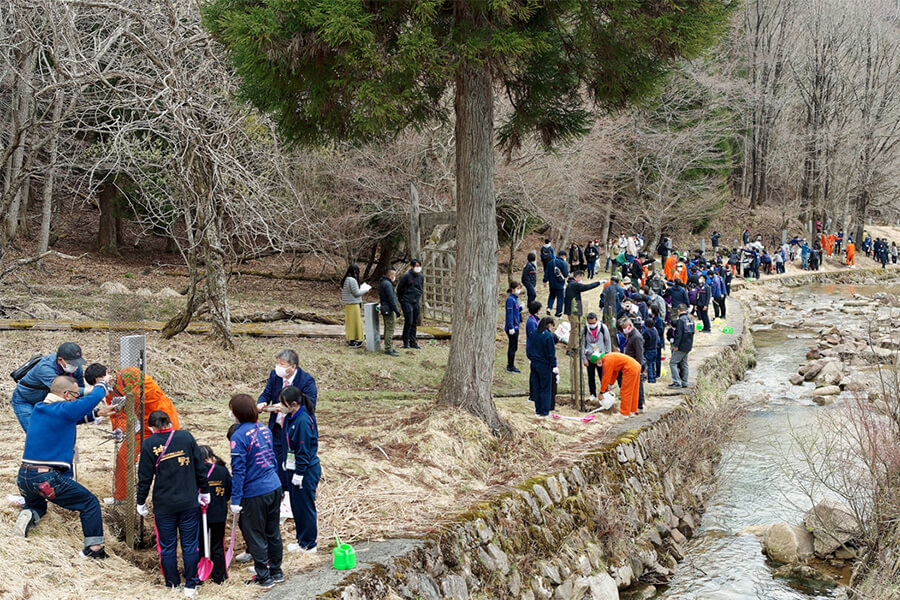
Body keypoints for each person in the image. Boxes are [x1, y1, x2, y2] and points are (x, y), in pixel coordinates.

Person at [14, 375, 114, 558]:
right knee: (89, 503)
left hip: (24, 477)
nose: (77, 399)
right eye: (76, 395)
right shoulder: (64, 409)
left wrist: (97, 414)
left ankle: (29, 512)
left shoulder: (40, 408)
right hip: (46, 478)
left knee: (37, 505)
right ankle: (94, 549)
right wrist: (103, 383)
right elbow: (90, 401)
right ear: (67, 395)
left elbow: (69, 417)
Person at [136, 411, 209, 597]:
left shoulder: (149, 444)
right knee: (190, 545)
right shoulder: (185, 437)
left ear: (151, 428)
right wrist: (205, 491)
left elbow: (144, 478)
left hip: (164, 505)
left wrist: (140, 502)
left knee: (167, 547)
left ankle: (172, 584)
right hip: (188, 502)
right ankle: (191, 585)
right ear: (170, 422)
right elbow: (200, 466)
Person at [95, 364, 181, 503]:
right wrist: (118, 429)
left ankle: (178, 493)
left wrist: (127, 399)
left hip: (164, 420)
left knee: (170, 457)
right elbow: (117, 414)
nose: (104, 384)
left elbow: (145, 392)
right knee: (124, 455)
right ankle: (121, 497)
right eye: (99, 384)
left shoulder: (131, 373)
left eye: (102, 380)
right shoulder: (110, 391)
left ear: (108, 372)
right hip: (144, 426)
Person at [229, 393, 284, 588]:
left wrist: (235, 500)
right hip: (274, 485)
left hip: (255, 492)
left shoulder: (238, 436)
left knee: (256, 534)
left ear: (237, 413)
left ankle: (264, 576)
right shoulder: (264, 429)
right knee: (273, 531)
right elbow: (272, 457)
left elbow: (239, 470)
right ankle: (276, 571)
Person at [257, 349, 317, 504]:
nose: (278, 367)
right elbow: (267, 393)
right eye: (277, 363)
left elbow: (310, 405)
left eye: (282, 364)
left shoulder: (306, 380)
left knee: (292, 457)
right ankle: (281, 490)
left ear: (293, 367)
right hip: (277, 427)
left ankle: (292, 491)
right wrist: (262, 402)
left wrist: (286, 407)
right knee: (277, 459)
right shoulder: (274, 376)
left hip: (294, 427)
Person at [11, 341, 87, 432]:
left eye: (77, 362)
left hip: (47, 403)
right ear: (60, 360)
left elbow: (78, 392)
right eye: (72, 362)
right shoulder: (45, 367)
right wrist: (92, 390)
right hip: (26, 400)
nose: (75, 366)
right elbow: (62, 389)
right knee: (36, 433)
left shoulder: (76, 368)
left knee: (57, 432)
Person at [280, 386, 321, 554]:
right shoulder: (292, 417)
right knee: (297, 507)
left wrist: (300, 473)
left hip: (305, 471)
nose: (280, 406)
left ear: (293, 404)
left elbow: (303, 450)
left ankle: (309, 543)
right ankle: (301, 540)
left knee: (305, 507)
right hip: (293, 467)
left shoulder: (302, 421)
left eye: (283, 403)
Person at [199, 445, 231, 584]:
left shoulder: (195, 471)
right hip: (219, 513)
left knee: (199, 544)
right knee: (218, 544)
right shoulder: (223, 470)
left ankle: (199, 574)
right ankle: (219, 576)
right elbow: (229, 490)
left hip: (200, 514)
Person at [564, 270, 602, 353]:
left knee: (575, 329)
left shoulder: (571, 284)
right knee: (575, 330)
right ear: (578, 276)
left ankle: (574, 346)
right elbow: (586, 287)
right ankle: (571, 348)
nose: (581, 280)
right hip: (573, 311)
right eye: (581, 278)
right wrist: (598, 282)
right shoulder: (574, 284)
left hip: (572, 310)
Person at [526, 317, 557, 417]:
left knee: (536, 387)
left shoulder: (534, 333)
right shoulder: (548, 336)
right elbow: (551, 352)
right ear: (549, 325)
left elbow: (530, 346)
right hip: (544, 364)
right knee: (545, 388)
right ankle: (544, 411)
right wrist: (554, 365)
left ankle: (538, 410)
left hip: (534, 362)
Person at [598, 352, 641, 417]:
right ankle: (632, 411)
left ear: (598, 360)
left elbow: (606, 377)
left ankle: (624, 413)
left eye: (596, 363)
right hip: (636, 366)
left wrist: (602, 392)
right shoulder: (609, 357)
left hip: (630, 368)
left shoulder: (607, 361)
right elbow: (615, 371)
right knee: (634, 390)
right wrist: (610, 384)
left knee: (625, 391)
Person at [581, 312, 611, 404]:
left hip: (601, 357)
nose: (592, 325)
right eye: (590, 323)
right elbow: (582, 344)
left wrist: (607, 355)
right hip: (590, 357)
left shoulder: (603, 328)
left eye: (593, 323)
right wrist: (584, 359)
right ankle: (592, 394)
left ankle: (605, 393)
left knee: (602, 376)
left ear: (596, 320)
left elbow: (607, 342)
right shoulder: (585, 329)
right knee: (591, 377)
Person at [397, 259, 424, 349]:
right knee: (409, 321)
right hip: (407, 300)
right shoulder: (406, 276)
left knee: (414, 322)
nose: (418, 268)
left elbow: (421, 288)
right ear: (412, 267)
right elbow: (399, 289)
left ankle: (413, 341)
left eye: (419, 266)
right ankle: (405, 341)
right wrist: (402, 300)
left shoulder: (421, 276)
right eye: (416, 266)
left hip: (415, 301)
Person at [620, 318, 646, 413]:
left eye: (625, 328)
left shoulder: (636, 337)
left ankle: (639, 405)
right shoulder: (630, 335)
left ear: (630, 326)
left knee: (638, 387)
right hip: (630, 364)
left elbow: (639, 354)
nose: (624, 330)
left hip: (635, 365)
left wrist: (639, 367)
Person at [340, 263, 369, 348]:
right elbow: (356, 293)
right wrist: (365, 290)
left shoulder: (345, 279)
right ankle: (357, 339)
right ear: (355, 271)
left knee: (350, 323)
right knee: (356, 323)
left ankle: (351, 339)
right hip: (353, 304)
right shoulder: (352, 280)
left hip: (348, 304)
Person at [378, 267, 402, 356]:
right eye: (394, 275)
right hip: (388, 308)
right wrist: (397, 310)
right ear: (389, 275)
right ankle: (388, 349)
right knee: (390, 329)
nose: (394, 277)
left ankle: (388, 347)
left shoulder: (382, 282)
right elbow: (391, 298)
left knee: (387, 328)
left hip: (385, 307)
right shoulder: (387, 284)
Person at [669, 305, 695, 389]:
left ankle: (676, 382)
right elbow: (693, 332)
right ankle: (685, 382)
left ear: (679, 310)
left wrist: (676, 345)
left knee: (673, 363)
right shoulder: (691, 319)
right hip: (688, 344)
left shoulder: (680, 320)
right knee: (684, 363)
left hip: (681, 345)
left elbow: (679, 334)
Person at [504, 282, 523, 373]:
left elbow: (515, 311)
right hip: (512, 327)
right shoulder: (510, 299)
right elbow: (509, 314)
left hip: (516, 325)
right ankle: (510, 366)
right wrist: (511, 326)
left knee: (514, 347)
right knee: (512, 347)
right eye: (517, 288)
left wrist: (520, 309)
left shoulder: (515, 299)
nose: (518, 290)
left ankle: (511, 364)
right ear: (512, 289)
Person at [544, 251, 569, 317]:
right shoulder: (563, 263)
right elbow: (566, 274)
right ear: (563, 256)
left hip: (551, 283)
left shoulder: (550, 262)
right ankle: (558, 313)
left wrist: (545, 281)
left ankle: (549, 307)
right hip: (560, 284)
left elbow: (546, 272)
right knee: (560, 298)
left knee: (551, 296)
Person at [643, 318, 660, 384]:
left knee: (649, 365)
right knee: (653, 364)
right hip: (654, 349)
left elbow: (644, 340)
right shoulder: (655, 330)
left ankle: (650, 379)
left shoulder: (647, 331)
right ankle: (653, 377)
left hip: (648, 349)